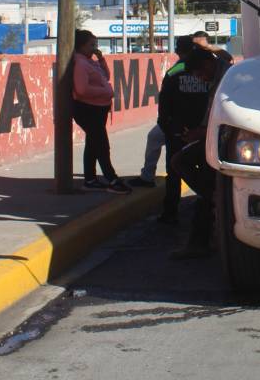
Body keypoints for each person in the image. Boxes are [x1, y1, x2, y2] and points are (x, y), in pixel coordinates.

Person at [159, 35, 234, 257]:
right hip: (209, 137)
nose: (201, 79)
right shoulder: (215, 75)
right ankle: (210, 201)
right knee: (182, 165)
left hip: (222, 141)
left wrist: (201, 132)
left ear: (208, 64)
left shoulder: (226, 76)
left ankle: (211, 200)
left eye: (201, 74)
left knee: (181, 163)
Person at [132, 31, 236, 191]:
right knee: (198, 167)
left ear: (178, 51)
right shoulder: (213, 68)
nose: (200, 77)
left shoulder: (187, 69)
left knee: (173, 165)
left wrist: (168, 126)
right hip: (199, 128)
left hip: (187, 128)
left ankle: (152, 182)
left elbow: (165, 100)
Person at [71, 29, 131, 194]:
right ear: (81, 46)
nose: (94, 48)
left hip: (97, 109)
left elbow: (106, 76)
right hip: (88, 109)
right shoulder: (81, 63)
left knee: (93, 144)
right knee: (101, 145)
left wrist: (101, 59)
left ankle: (90, 180)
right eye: (91, 45)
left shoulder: (90, 61)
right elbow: (81, 90)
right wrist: (106, 93)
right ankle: (112, 179)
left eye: (95, 45)